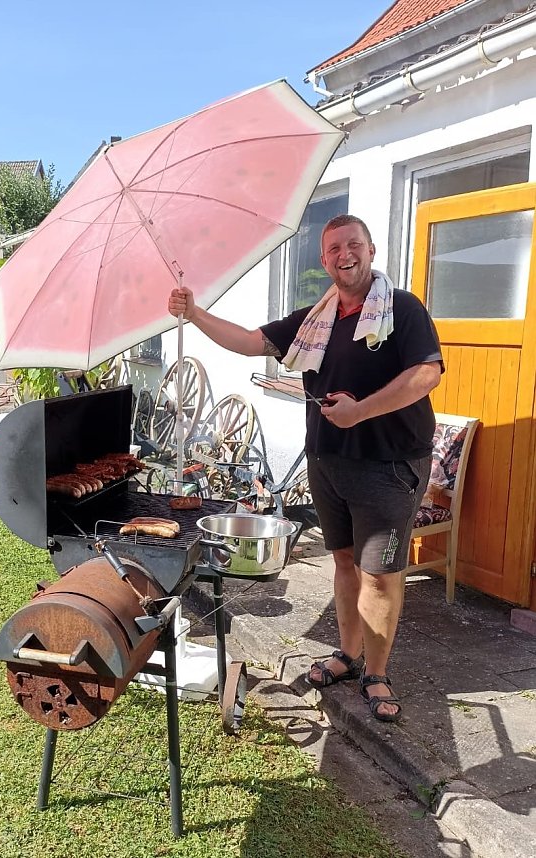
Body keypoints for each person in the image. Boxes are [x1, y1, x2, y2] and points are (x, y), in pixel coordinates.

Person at [167, 214, 443, 723]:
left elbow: (426, 374)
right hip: (328, 462)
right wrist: (195, 313)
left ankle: (377, 674)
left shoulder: (401, 309)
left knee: (379, 576)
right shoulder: (317, 318)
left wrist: (360, 410)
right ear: (324, 260)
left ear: (372, 249)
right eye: (334, 248)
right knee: (342, 562)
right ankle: (348, 653)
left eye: (354, 245)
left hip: (388, 466)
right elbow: (250, 341)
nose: (345, 255)